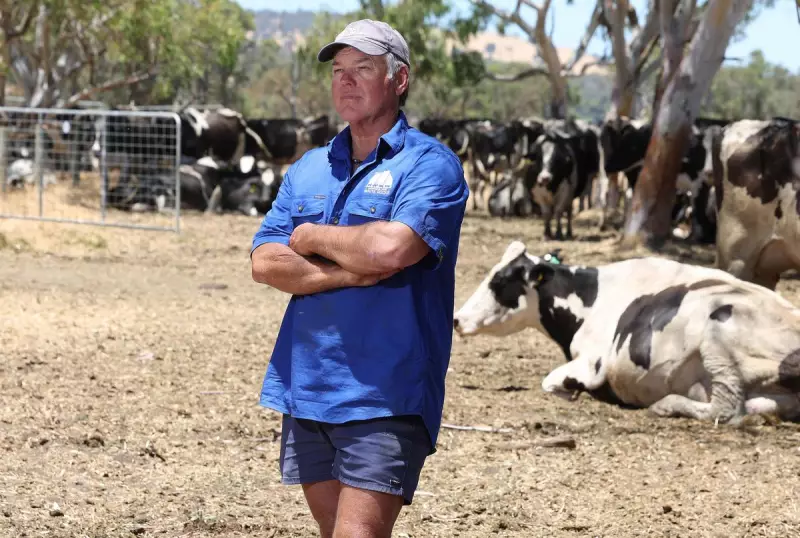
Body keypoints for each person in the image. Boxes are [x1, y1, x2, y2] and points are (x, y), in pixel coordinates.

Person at [249, 18, 469, 538]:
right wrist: (345, 274)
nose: (345, 80)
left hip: (386, 391)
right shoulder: (309, 167)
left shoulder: (430, 165)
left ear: (400, 79)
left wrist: (310, 236)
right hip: (307, 386)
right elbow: (265, 263)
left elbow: (392, 248)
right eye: (338, 70)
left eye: (362, 68)